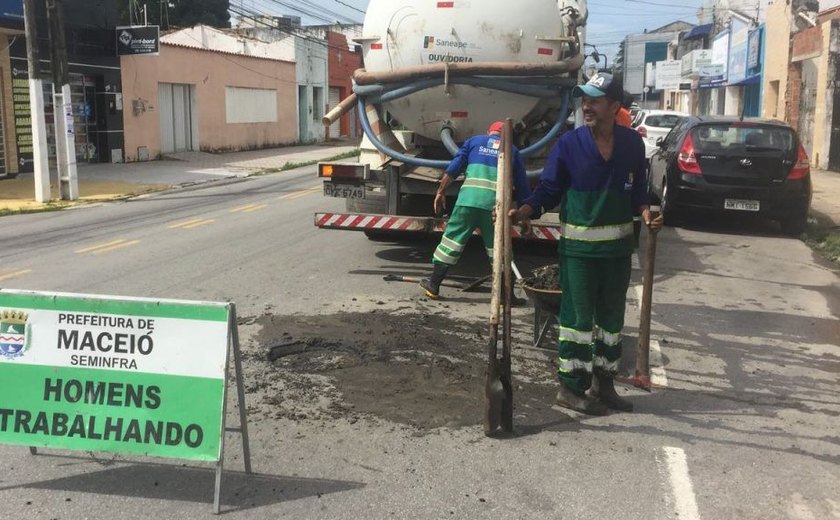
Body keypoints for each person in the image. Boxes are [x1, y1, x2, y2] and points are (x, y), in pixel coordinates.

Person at [510, 73, 663, 415]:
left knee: (611, 320)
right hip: (579, 252)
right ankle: (570, 388)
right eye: (584, 99)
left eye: (594, 99)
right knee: (577, 321)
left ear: (614, 106)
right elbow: (549, 190)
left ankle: (604, 384)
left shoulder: (632, 145)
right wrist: (524, 210)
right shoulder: (569, 144)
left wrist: (646, 212)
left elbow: (639, 190)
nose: (586, 105)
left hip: (618, 253)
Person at [420, 121, 531, 300]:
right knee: (500, 249)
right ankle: (506, 296)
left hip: (468, 202)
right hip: (496, 208)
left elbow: (454, 168)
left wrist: (440, 192)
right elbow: (523, 185)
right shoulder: (513, 151)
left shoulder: (474, 142)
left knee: (450, 243)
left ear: (489, 132)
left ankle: (433, 285)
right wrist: (526, 217)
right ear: (506, 135)